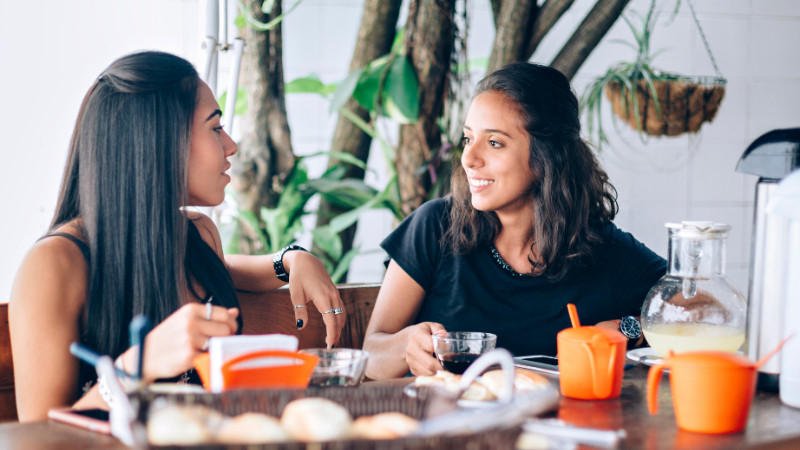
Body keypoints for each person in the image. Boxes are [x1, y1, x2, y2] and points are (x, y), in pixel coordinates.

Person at [9, 51, 346, 421]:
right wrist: (134, 367)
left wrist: (290, 260)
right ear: (157, 140)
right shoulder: (52, 266)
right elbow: (38, 440)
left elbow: (224, 268)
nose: (231, 146)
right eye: (215, 127)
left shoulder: (197, 236)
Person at [363, 62, 667, 380]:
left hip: (561, 428)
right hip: (447, 425)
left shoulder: (602, 247)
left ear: (546, 158)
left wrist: (628, 329)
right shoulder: (435, 226)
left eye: (494, 143)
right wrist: (405, 346)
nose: (469, 158)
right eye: (468, 139)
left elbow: (694, 306)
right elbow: (371, 354)